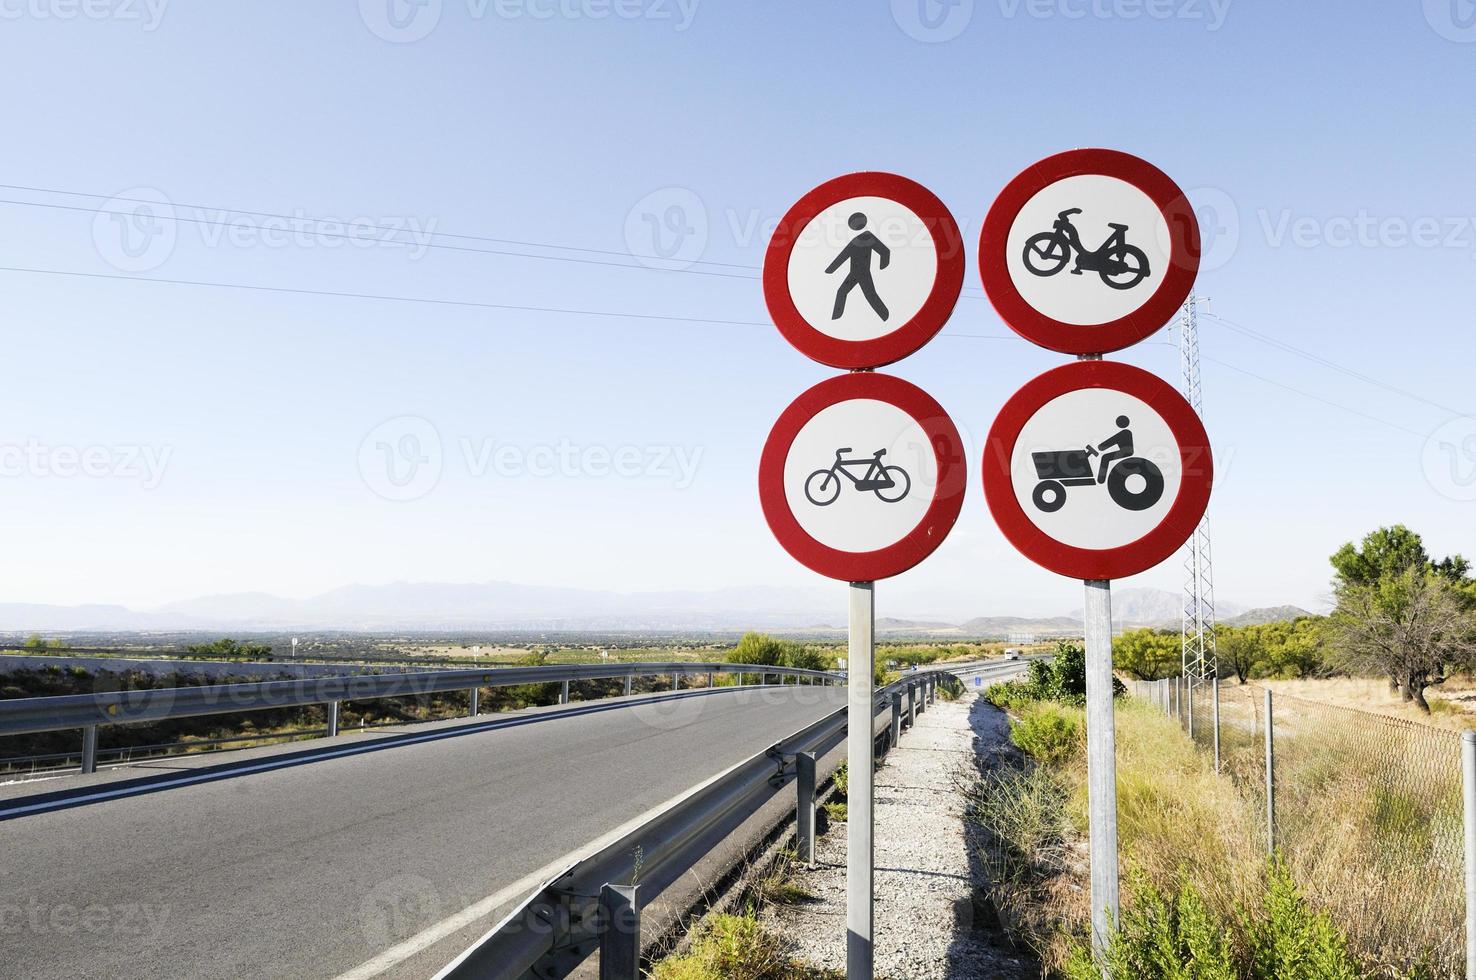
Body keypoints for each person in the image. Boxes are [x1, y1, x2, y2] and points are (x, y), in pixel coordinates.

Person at [825, 212, 890, 321]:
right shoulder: (854, 241)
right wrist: (830, 270)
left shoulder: (868, 236)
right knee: (841, 292)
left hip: (863, 272)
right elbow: (843, 256)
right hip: (854, 273)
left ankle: (885, 316)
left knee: (870, 295)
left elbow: (884, 251)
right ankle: (835, 318)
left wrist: (883, 265)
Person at [1090, 415, 1134, 483]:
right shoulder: (1126, 432)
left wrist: (1100, 447)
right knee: (1105, 457)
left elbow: (1110, 442)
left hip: (1126, 452)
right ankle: (1101, 479)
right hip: (1124, 451)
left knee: (1105, 457)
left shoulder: (1125, 432)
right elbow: (1111, 442)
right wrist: (1100, 447)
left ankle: (1101, 479)